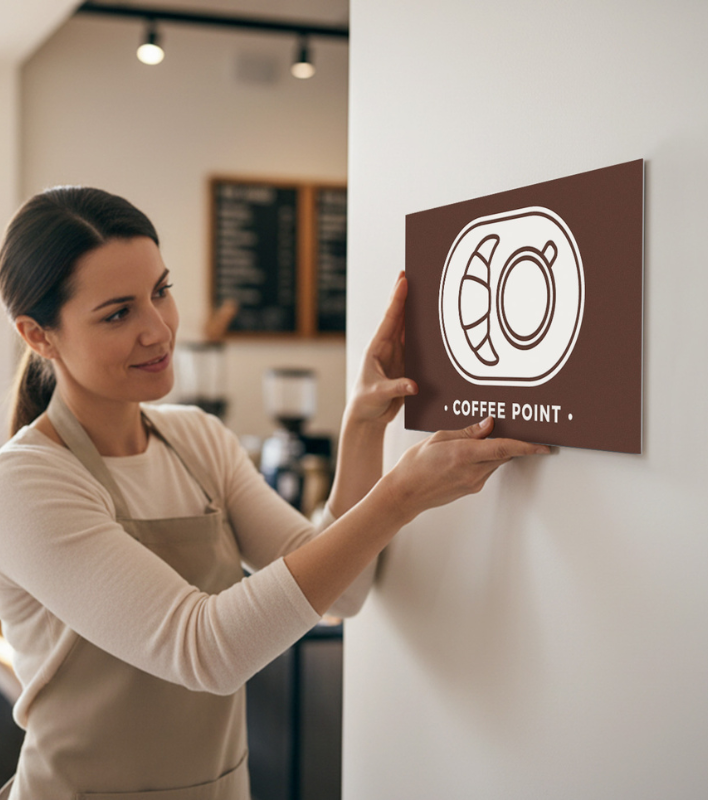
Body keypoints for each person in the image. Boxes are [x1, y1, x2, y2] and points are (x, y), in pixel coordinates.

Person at [0, 186, 549, 799]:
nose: (159, 330)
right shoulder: (24, 483)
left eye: (160, 291)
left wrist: (362, 428)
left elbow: (342, 591)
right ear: (39, 335)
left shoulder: (199, 440)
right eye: (118, 313)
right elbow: (204, 649)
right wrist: (400, 496)